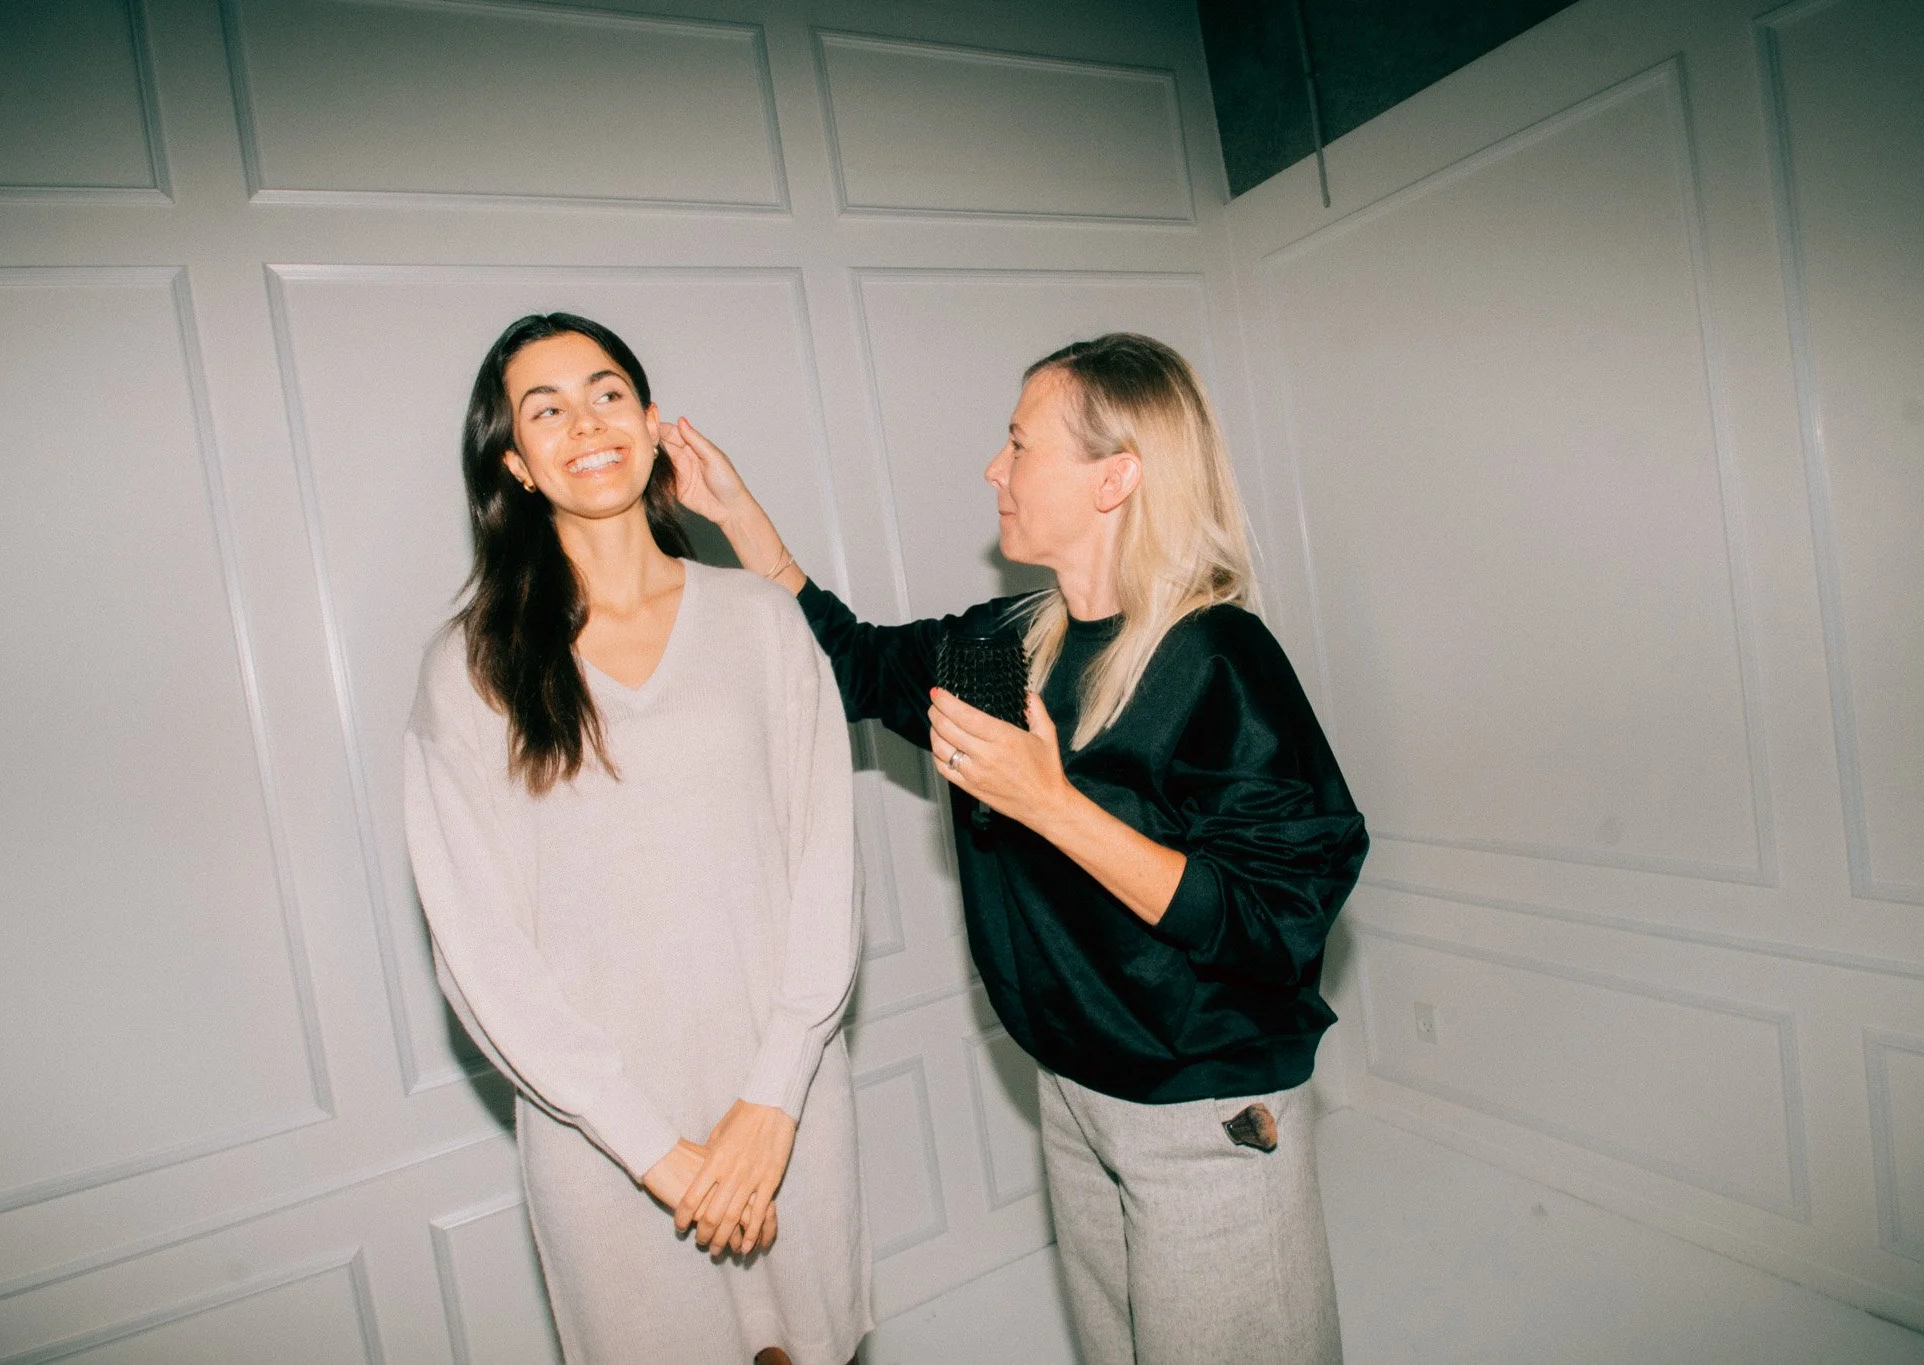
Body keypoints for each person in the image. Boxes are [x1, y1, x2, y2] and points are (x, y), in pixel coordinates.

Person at [665, 332, 1366, 1365]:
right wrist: (736, 517)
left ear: (1114, 477)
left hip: (1204, 1113)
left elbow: (1274, 922)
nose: (994, 468)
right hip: (1077, 1091)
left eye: (1020, 443)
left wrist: (1050, 804)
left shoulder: (1216, 658)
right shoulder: (1006, 647)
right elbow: (850, 663)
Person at [403, 313, 871, 1365]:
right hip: (603, 1140)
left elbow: (825, 869)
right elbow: (479, 951)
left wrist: (772, 1100)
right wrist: (658, 1153)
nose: (586, 423)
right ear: (516, 464)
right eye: (546, 410)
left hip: (784, 1107)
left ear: (653, 422)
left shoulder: (760, 619)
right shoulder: (471, 667)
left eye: (606, 392)